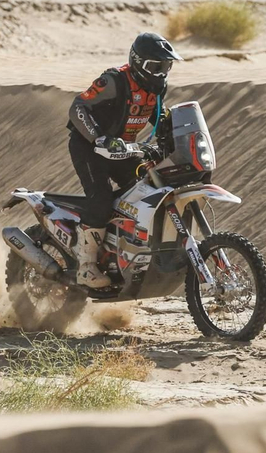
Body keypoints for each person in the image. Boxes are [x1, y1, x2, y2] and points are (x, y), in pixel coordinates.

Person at [66, 32, 181, 286]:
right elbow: (78, 107)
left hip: (125, 150)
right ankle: (86, 266)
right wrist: (98, 138)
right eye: (156, 67)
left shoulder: (158, 87)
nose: (161, 73)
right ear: (138, 62)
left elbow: (158, 117)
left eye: (166, 67)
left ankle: (126, 251)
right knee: (101, 198)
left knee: (148, 189)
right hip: (90, 147)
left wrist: (173, 137)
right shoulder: (114, 81)